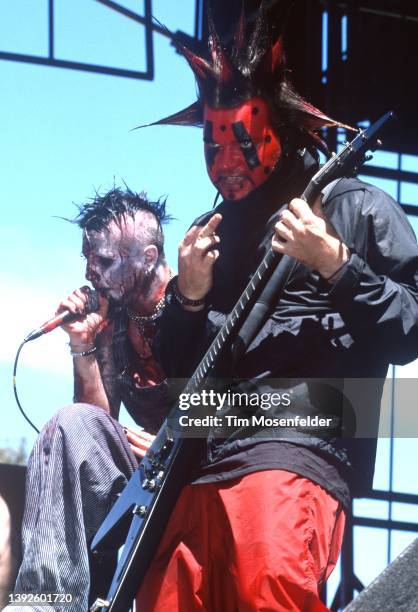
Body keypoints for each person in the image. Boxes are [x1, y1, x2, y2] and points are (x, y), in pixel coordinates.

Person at [134, 5, 418, 611]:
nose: (224, 163)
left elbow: (411, 329)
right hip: (198, 464)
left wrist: (337, 265)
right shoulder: (210, 233)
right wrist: (187, 297)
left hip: (294, 455)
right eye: (211, 144)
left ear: (278, 129)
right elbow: (183, 371)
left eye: (239, 140)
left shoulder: (356, 208)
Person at [6, 187, 172, 612]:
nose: (90, 271)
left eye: (104, 260)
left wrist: (179, 445)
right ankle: (46, 602)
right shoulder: (115, 320)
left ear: (148, 258)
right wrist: (84, 344)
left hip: (208, 454)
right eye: (87, 257)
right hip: (146, 467)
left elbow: (243, 396)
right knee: (69, 425)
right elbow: (92, 429)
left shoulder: (190, 302)